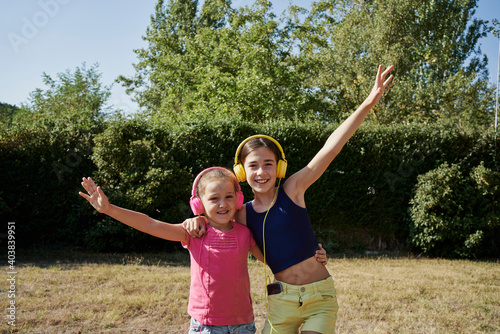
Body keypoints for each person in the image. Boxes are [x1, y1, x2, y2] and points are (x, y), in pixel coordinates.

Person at [184, 65, 394, 334]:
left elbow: (331, 147)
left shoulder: (293, 189)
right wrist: (195, 220)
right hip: (281, 301)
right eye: (254, 166)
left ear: (279, 169)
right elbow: (214, 215)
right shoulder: (241, 214)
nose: (262, 172)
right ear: (241, 172)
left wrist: (368, 101)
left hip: (320, 298)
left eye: (269, 164)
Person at [79, 167, 265, 334]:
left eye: (229, 197)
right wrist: (110, 209)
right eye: (214, 198)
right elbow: (150, 224)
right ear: (198, 204)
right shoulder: (193, 232)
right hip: (206, 326)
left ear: (238, 199)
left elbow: (270, 259)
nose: (223, 204)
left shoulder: (245, 233)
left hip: (244, 324)